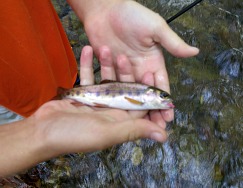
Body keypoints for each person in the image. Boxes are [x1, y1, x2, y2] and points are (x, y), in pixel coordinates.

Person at [0, 0, 199, 177]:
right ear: (149, 95)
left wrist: (98, 5)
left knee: (65, 81)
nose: (165, 100)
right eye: (162, 96)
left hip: (45, 44)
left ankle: (67, 96)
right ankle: (28, 169)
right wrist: (33, 138)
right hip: (12, 101)